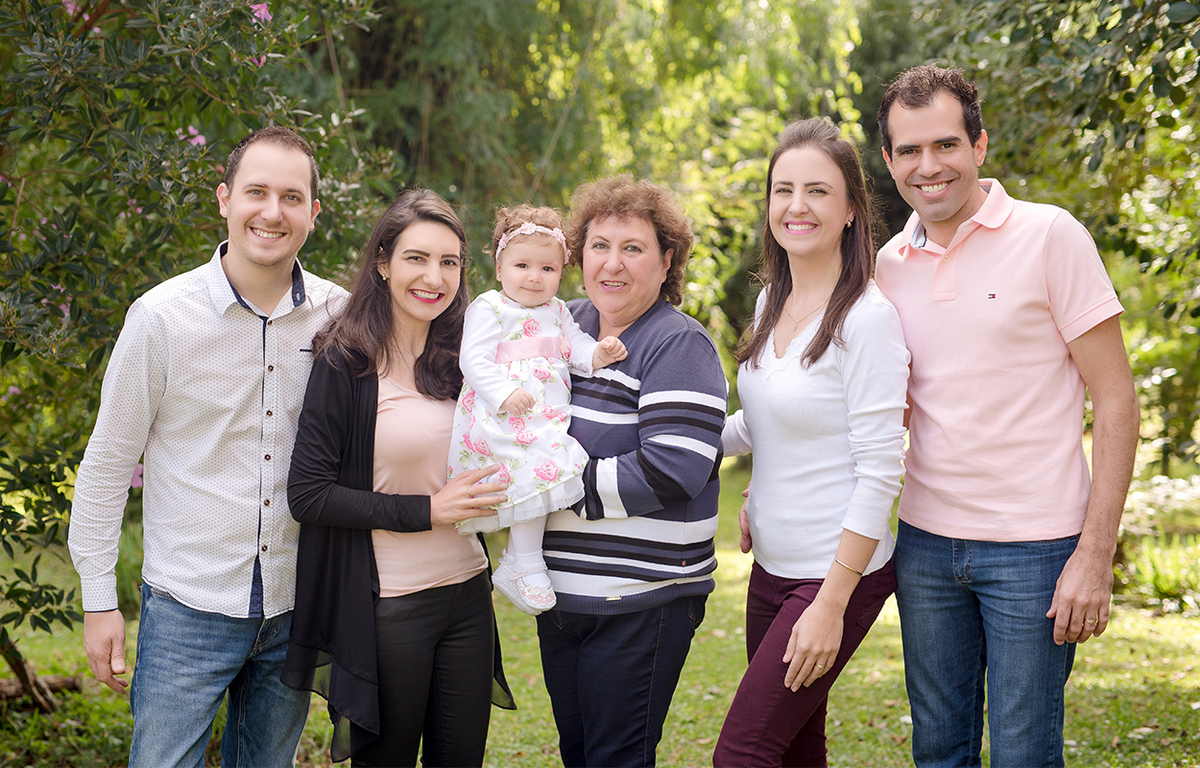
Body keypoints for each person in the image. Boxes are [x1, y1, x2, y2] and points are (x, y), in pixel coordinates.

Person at [875, 63, 1140, 767]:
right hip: (925, 547)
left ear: (980, 145)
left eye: (946, 145)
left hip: (1038, 551)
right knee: (938, 750)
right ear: (888, 160)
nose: (928, 166)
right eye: (909, 150)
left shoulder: (1051, 236)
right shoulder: (886, 266)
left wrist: (1095, 553)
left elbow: (1116, 399)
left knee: (1024, 753)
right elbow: (873, 413)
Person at [67, 126, 347, 767]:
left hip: (295, 603)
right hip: (188, 609)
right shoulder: (161, 318)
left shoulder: (340, 317)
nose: (272, 212)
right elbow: (109, 462)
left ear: (313, 212)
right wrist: (98, 601)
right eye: (256, 192)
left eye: (291, 196)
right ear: (224, 199)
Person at [281, 188, 515, 766]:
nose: (433, 276)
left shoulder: (468, 360)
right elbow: (308, 496)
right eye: (416, 258)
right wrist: (427, 511)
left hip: (468, 596)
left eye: (449, 262)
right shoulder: (346, 362)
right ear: (383, 263)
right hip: (391, 609)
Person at [712, 118, 909, 768]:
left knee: (741, 755)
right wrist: (675, 438)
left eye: (818, 191)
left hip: (833, 575)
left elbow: (881, 474)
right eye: (783, 189)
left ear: (852, 208)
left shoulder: (868, 320)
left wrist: (831, 604)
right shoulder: (773, 298)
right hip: (771, 565)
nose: (797, 206)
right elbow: (759, 424)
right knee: (796, 748)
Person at [535, 175, 727, 768]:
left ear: (667, 260)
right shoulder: (559, 325)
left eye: (633, 248)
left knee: (616, 758)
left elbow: (673, 469)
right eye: (598, 246)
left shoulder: (678, 342)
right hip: (562, 595)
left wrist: (543, 484)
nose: (611, 265)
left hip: (644, 600)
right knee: (580, 753)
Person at [450, 204, 627, 615]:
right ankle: (524, 562)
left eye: (547, 269)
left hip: (543, 418)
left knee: (549, 473)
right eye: (523, 265)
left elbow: (577, 345)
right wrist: (503, 392)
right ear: (499, 268)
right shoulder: (490, 307)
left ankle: (521, 559)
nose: (534, 276)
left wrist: (598, 353)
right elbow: (473, 360)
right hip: (502, 418)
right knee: (536, 474)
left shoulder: (559, 311)